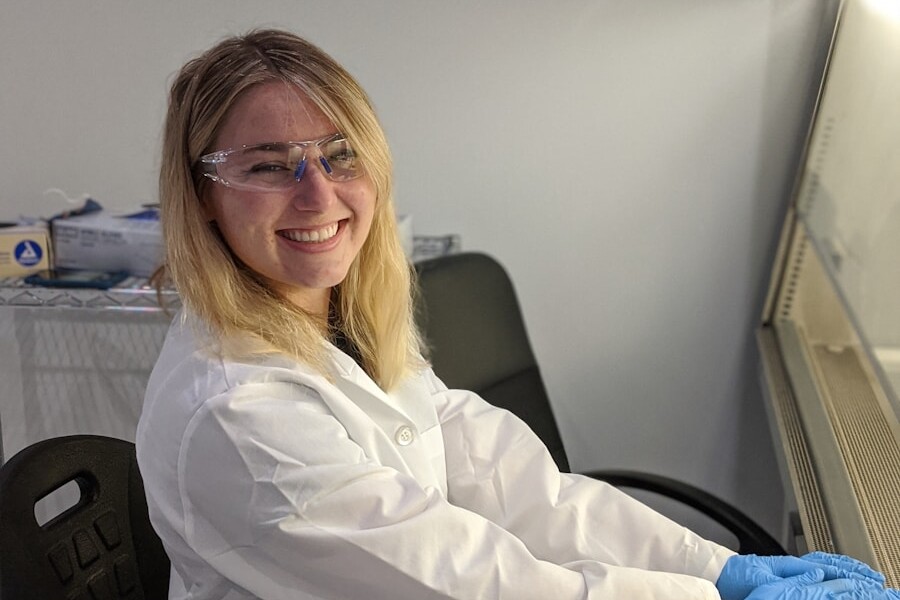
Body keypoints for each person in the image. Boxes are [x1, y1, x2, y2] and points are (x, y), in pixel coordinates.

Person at [136, 29, 897, 600]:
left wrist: (717, 567)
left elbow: (514, 485)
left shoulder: (337, 323)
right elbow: (476, 583)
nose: (317, 194)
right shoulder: (237, 413)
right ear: (202, 195)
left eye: (340, 154)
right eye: (269, 166)